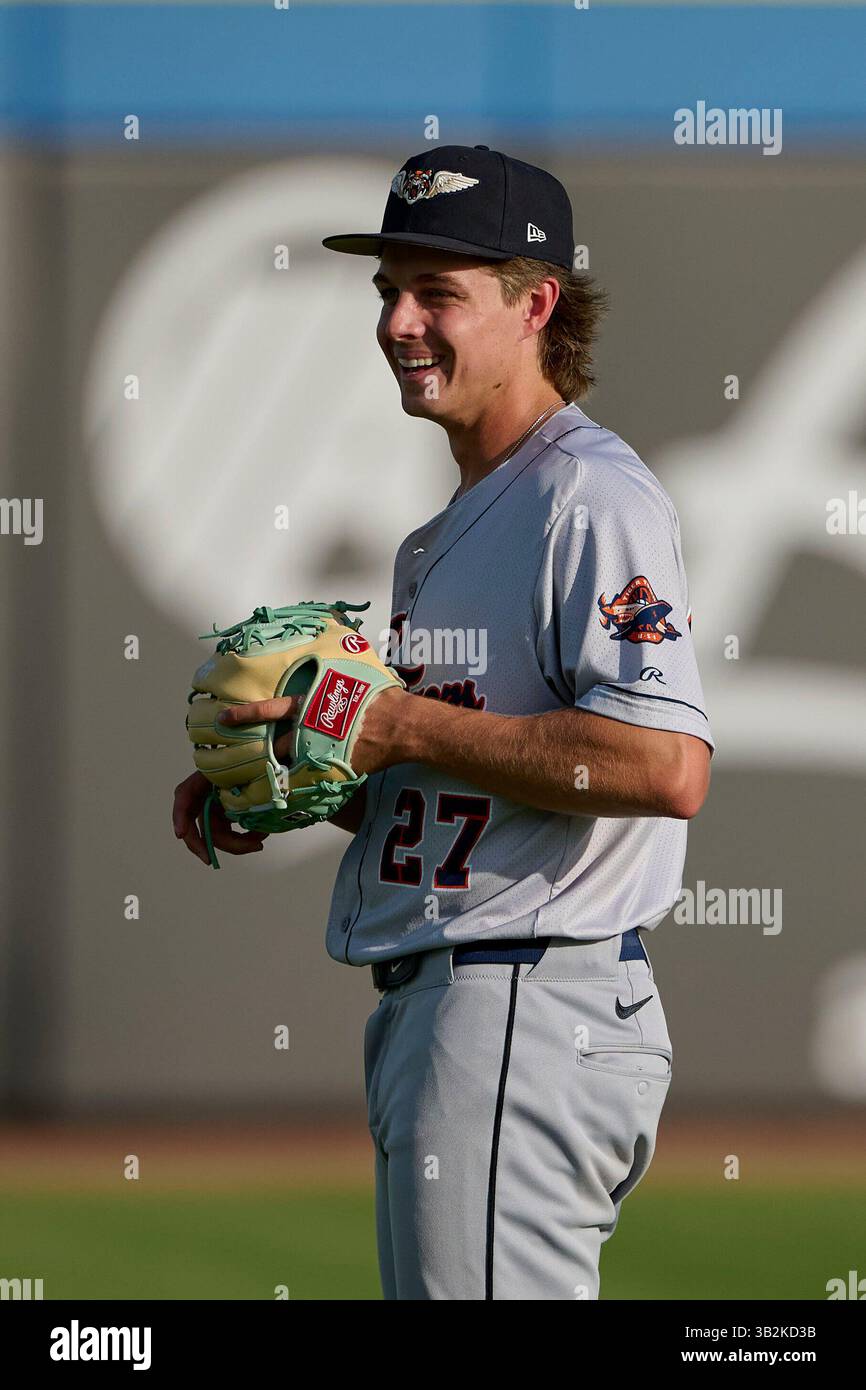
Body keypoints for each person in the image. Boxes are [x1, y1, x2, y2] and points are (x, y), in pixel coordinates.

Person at [173, 144, 713, 1300]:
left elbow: (663, 766)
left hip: (521, 1002)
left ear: (535, 305)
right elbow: (443, 753)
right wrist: (304, 772)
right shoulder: (446, 532)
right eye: (387, 293)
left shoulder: (588, 496)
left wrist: (400, 728)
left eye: (438, 293)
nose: (398, 324)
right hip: (468, 1004)